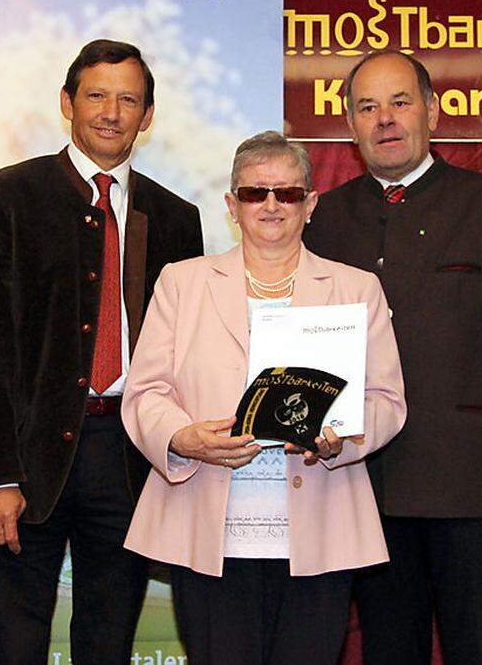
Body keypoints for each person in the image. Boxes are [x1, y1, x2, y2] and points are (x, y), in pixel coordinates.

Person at [302, 52, 482, 664]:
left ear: (433, 113)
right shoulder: (326, 219)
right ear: (350, 124)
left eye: (400, 102)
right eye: (368, 107)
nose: (385, 119)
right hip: (361, 485)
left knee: (481, 649)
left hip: (471, 489)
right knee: (388, 651)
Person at [0, 39, 203, 663]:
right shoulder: (7, 195)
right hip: (25, 460)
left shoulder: (176, 218)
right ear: (67, 103)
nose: (111, 112)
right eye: (96, 95)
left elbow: (189, 353)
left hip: (130, 459)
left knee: (109, 643)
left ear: (148, 116)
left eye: (128, 99)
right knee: (11, 646)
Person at [122, 131, 407, 665]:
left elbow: (386, 400)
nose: (271, 205)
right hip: (206, 526)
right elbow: (145, 394)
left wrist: (338, 438)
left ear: (310, 203)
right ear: (232, 205)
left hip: (320, 528)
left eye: (287, 193)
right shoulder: (182, 283)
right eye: (255, 193)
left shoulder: (356, 288)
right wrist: (183, 438)